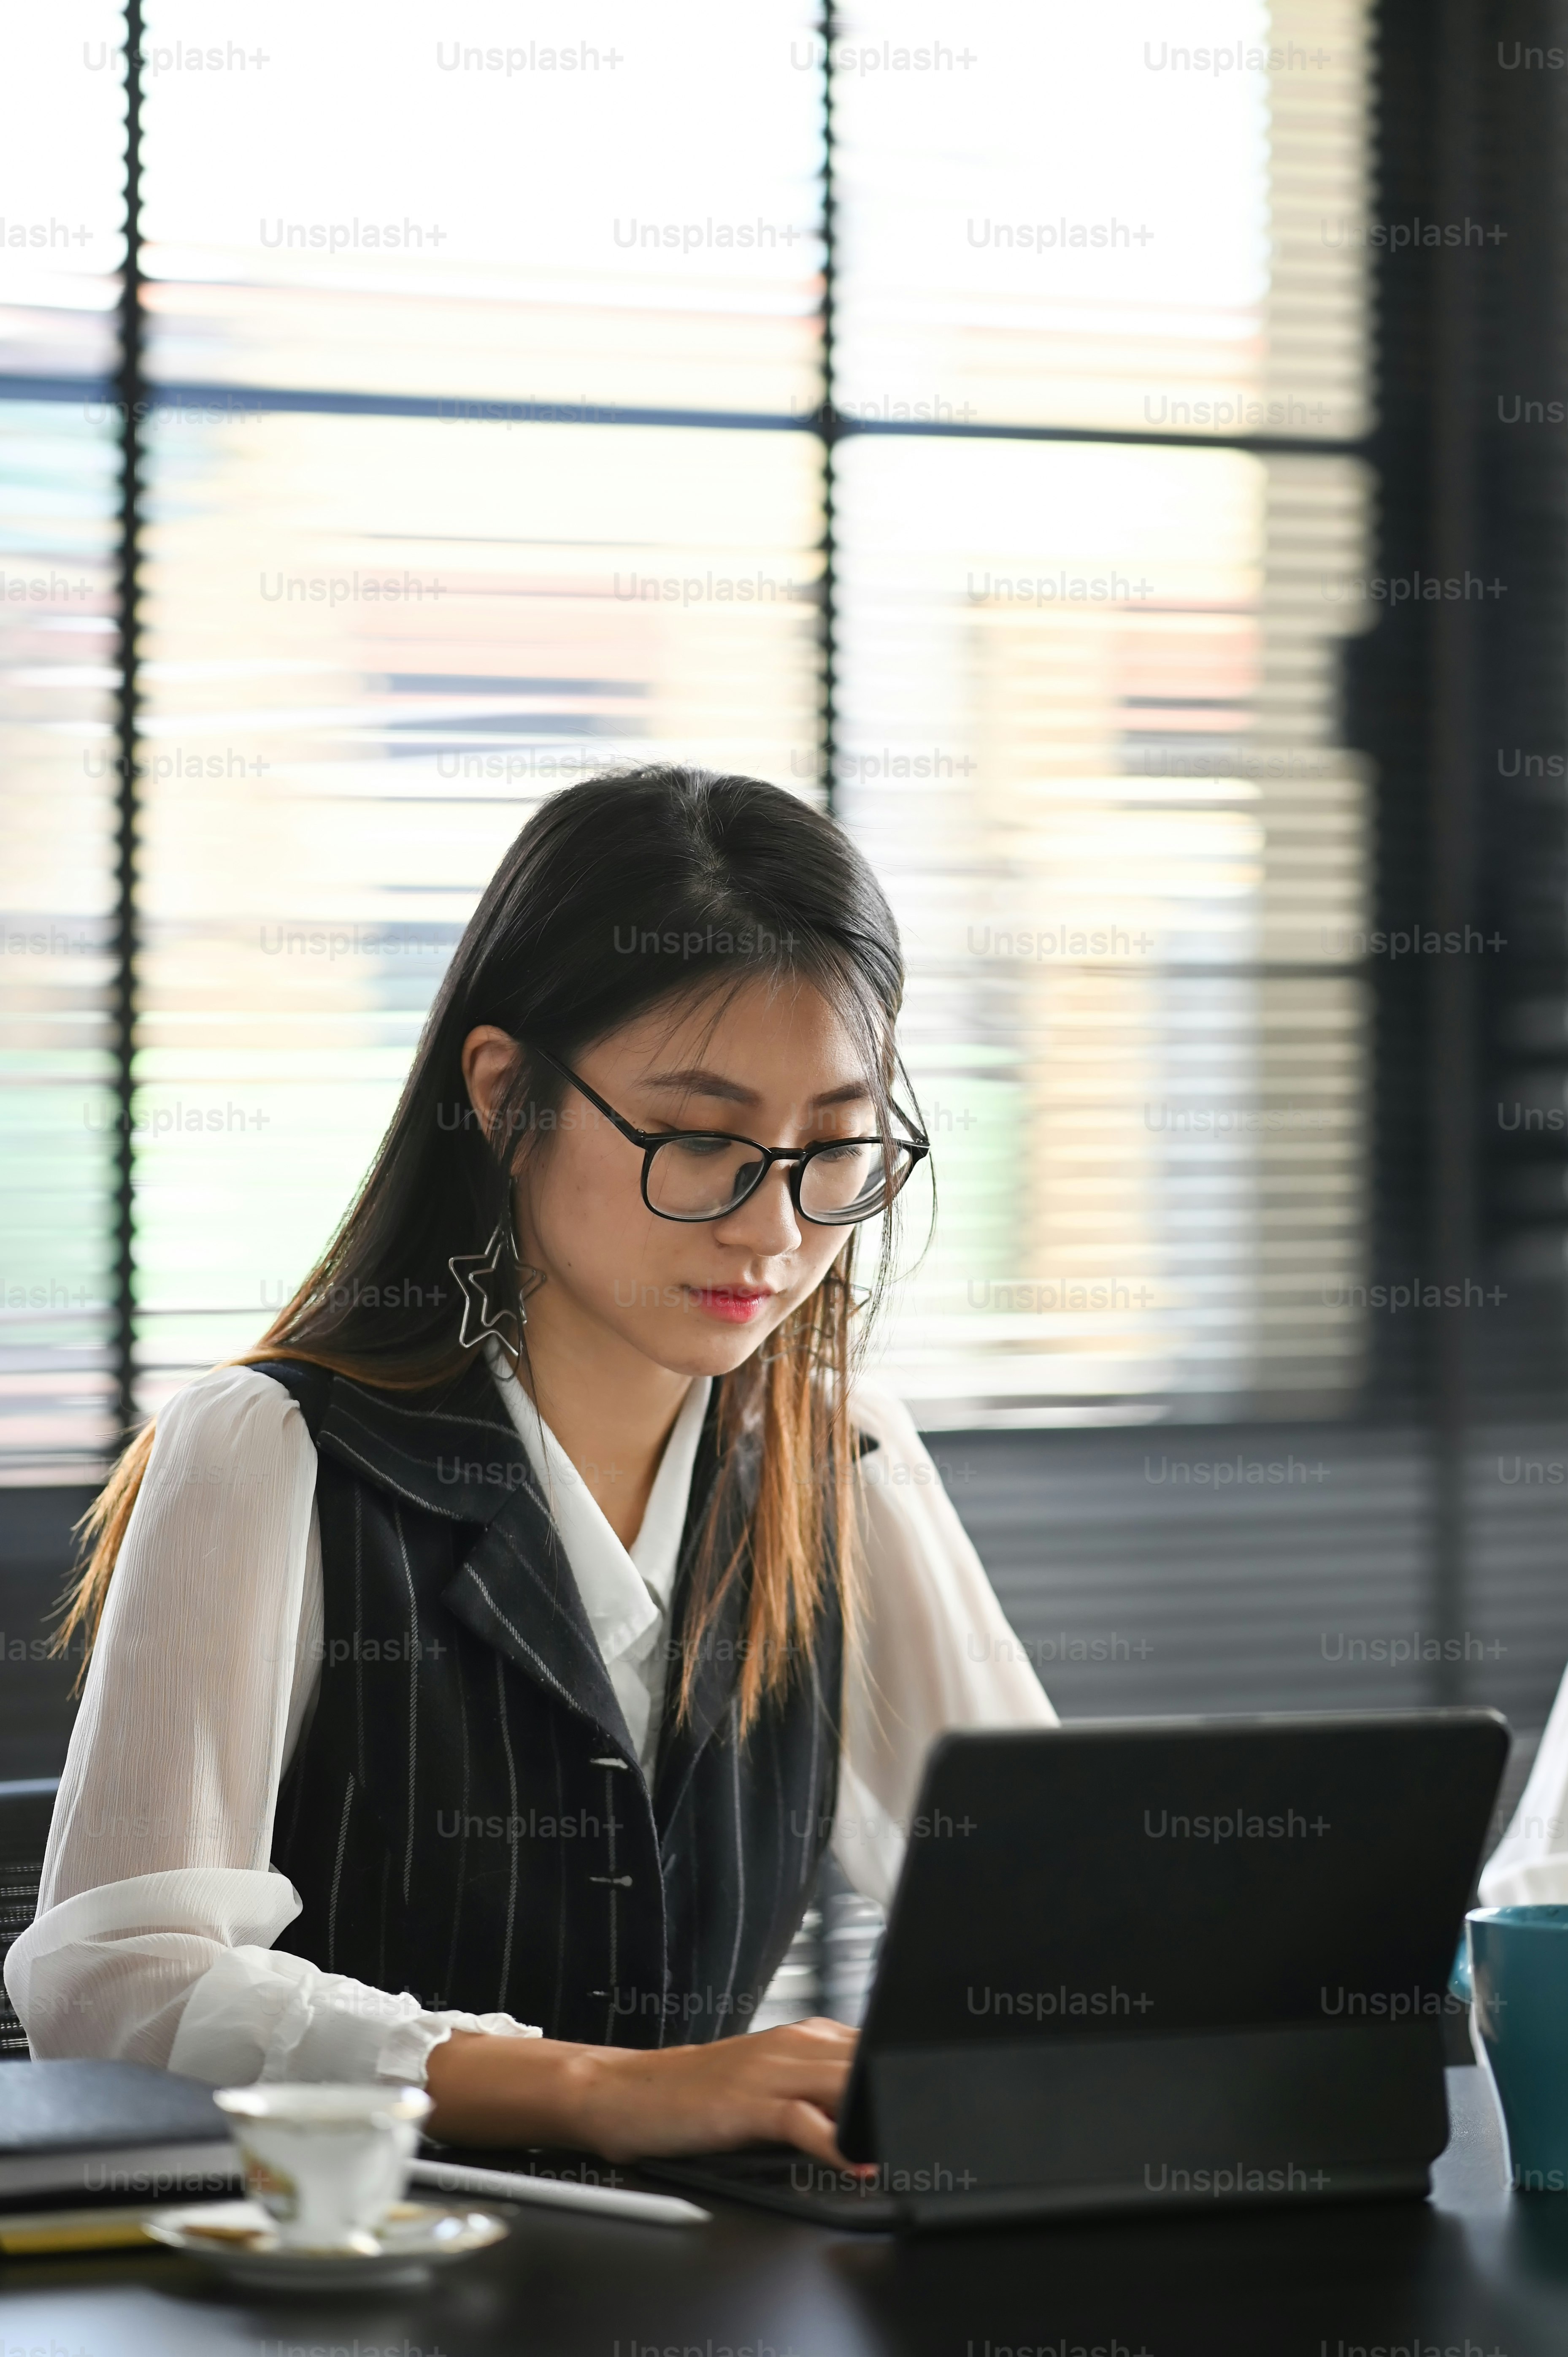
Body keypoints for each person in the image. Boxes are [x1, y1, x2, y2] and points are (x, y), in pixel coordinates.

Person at [7, 766, 1055, 2168]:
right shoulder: (275, 1450)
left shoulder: (843, 1456)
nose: (775, 1229)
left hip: (702, 2280)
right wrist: (594, 2087)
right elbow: (120, 1987)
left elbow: (1046, 1902)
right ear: (505, 1096)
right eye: (698, 1139)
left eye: (834, 1145)